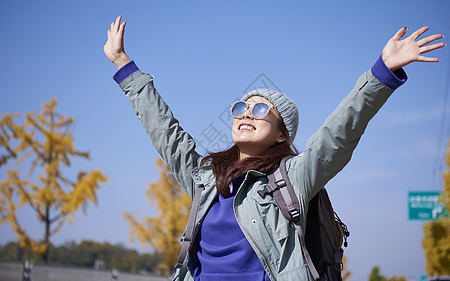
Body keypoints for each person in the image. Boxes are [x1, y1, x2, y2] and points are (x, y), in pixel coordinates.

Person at [104, 15, 445, 281]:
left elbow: (340, 131)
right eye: (241, 108)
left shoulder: (292, 178)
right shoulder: (204, 178)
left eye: (261, 110)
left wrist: (382, 72)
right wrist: (123, 63)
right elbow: (164, 130)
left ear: (282, 134)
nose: (247, 113)